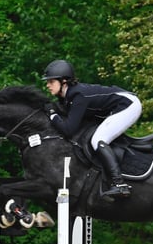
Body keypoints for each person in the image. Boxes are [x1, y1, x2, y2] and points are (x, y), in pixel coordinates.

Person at [42, 59, 142, 198]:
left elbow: (68, 130)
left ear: (64, 81)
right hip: (116, 106)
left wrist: (52, 115)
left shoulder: (78, 96)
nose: (47, 85)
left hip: (128, 105)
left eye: (51, 82)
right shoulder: (68, 96)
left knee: (98, 140)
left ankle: (119, 184)